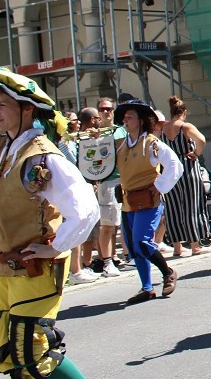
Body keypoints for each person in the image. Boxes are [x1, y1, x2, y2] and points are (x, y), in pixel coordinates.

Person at [0, 67, 110, 379]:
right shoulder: (1, 149)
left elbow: (83, 210)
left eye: (1, 106)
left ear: (27, 111)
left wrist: (56, 248)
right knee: (6, 342)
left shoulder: (42, 156)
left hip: (35, 267)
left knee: (28, 347)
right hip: (5, 268)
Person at [114, 99, 183, 304]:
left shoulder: (152, 144)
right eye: (124, 117)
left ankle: (168, 271)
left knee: (142, 242)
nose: (125, 120)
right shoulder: (120, 146)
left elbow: (174, 165)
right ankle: (147, 288)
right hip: (128, 201)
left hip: (148, 199)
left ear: (141, 121)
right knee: (135, 248)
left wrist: (159, 185)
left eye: (130, 117)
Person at [160, 96, 211, 257]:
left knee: (173, 208)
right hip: (187, 167)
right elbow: (201, 140)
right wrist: (196, 153)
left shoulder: (163, 128)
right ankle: (195, 245)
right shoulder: (185, 126)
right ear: (183, 112)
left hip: (169, 170)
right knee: (191, 205)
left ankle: (177, 247)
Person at [68, 107, 103, 285]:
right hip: (73, 189)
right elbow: (74, 163)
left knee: (86, 227)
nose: (76, 124)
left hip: (83, 185)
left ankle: (81, 266)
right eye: (74, 121)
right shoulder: (67, 142)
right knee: (77, 229)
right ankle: (76, 270)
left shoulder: (75, 141)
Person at [93, 97, 126, 273]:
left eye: (109, 109)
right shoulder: (94, 134)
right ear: (98, 112)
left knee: (116, 225)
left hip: (124, 180)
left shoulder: (121, 131)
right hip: (107, 181)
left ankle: (114, 257)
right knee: (107, 225)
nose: (107, 112)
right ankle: (106, 261)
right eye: (103, 109)